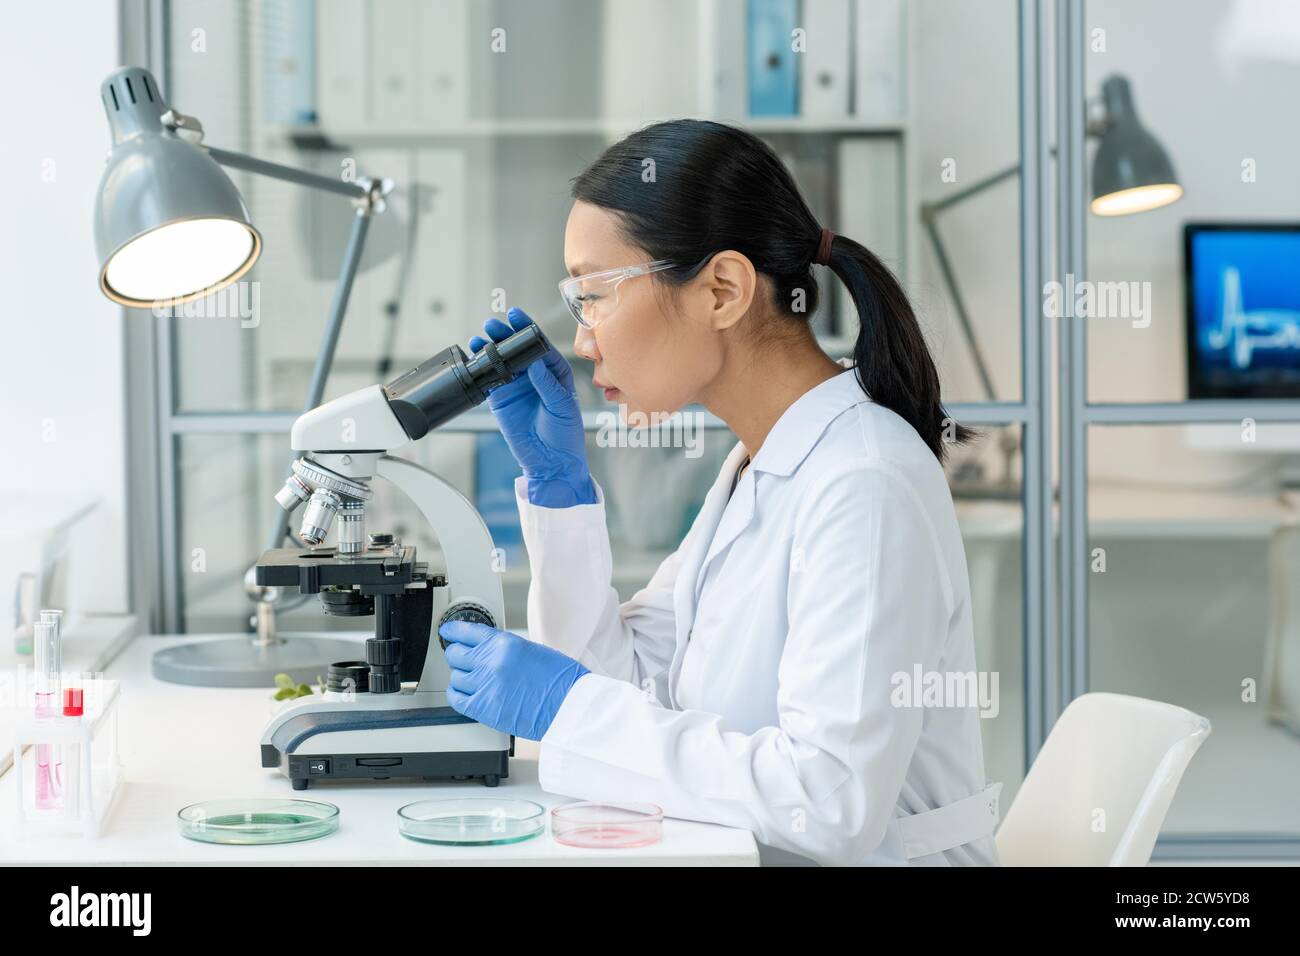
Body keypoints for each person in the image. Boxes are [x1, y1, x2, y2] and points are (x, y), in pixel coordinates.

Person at [438, 119, 1000, 866]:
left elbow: (830, 801)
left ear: (723, 289)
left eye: (594, 295)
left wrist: (564, 706)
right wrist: (562, 498)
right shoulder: (756, 462)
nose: (583, 339)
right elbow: (626, 684)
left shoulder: (865, 483)